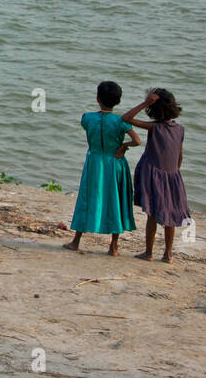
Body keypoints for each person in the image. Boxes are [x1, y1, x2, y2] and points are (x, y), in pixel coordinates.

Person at [64, 81, 139, 256]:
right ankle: (113, 246)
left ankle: (76, 241)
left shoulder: (87, 117)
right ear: (118, 101)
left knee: (87, 198)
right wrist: (123, 147)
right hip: (115, 162)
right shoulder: (121, 121)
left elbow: (90, 128)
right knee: (116, 199)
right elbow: (137, 141)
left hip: (95, 161)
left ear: (97, 98)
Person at [123, 89, 190, 263]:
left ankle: (149, 253)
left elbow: (126, 118)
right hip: (173, 176)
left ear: (154, 109)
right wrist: (173, 175)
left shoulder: (154, 127)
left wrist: (145, 103)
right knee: (171, 217)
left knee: (152, 215)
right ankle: (168, 254)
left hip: (154, 175)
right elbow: (179, 155)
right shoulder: (179, 129)